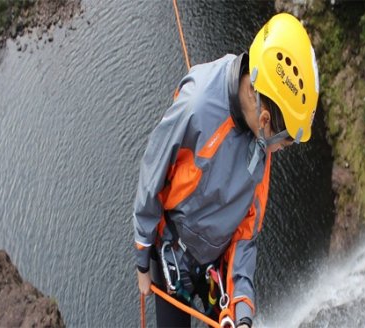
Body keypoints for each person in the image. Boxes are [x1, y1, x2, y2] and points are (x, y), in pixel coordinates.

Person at [133, 12, 319, 328]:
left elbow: (249, 226)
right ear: (264, 121)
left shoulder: (262, 140)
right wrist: (142, 260)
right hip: (174, 256)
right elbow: (152, 175)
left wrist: (242, 308)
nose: (278, 152)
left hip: (216, 266)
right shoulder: (197, 107)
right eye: (283, 144)